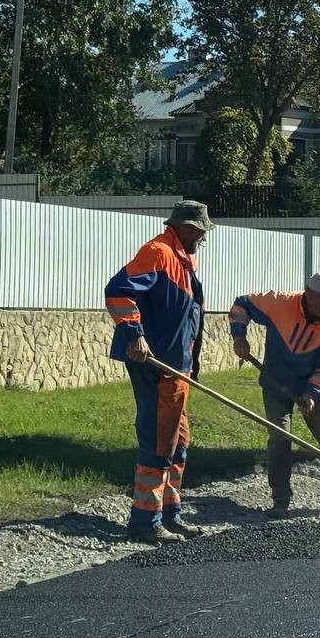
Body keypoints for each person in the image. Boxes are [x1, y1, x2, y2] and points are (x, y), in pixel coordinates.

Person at [104, 200, 212, 544]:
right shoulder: (158, 252)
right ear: (189, 228)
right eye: (201, 233)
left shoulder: (184, 258)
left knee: (178, 443)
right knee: (157, 440)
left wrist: (191, 365)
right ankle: (145, 522)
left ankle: (170, 513)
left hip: (177, 367)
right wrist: (134, 334)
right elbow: (118, 292)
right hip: (156, 364)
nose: (203, 239)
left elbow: (189, 318)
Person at [229, 272, 320, 518]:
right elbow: (241, 304)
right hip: (275, 385)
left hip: (311, 387)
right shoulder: (279, 303)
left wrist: (311, 394)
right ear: (311, 296)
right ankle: (280, 501)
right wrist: (239, 337)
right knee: (280, 439)